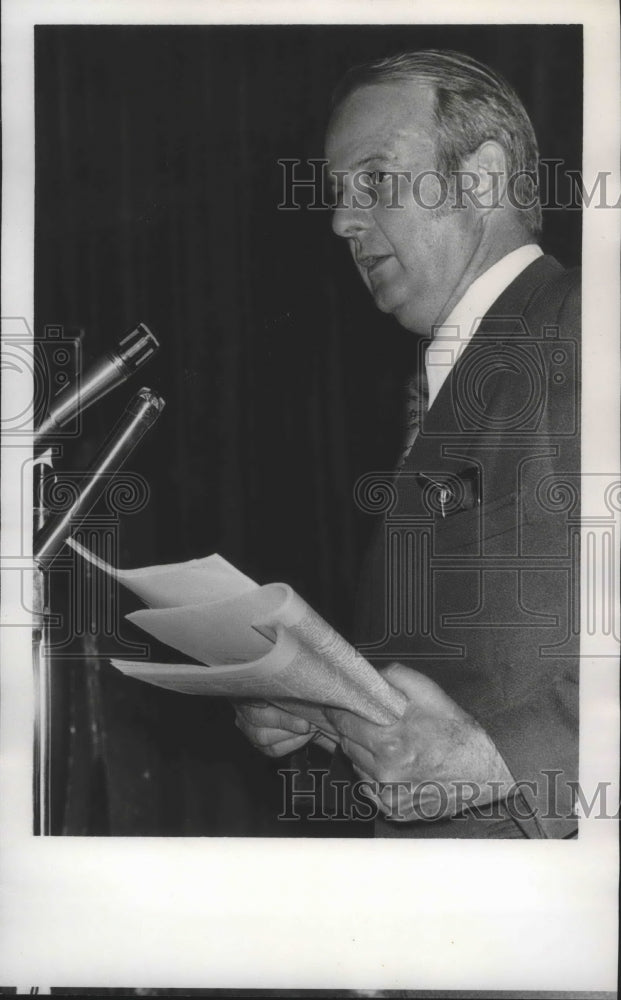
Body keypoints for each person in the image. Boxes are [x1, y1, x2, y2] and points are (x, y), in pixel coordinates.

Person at [234, 50, 580, 839]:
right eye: (335, 193)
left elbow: (488, 742)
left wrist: (506, 763)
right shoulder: (450, 379)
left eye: (376, 180)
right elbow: (461, 681)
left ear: (482, 177)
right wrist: (320, 709)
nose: (340, 220)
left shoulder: (582, 323)